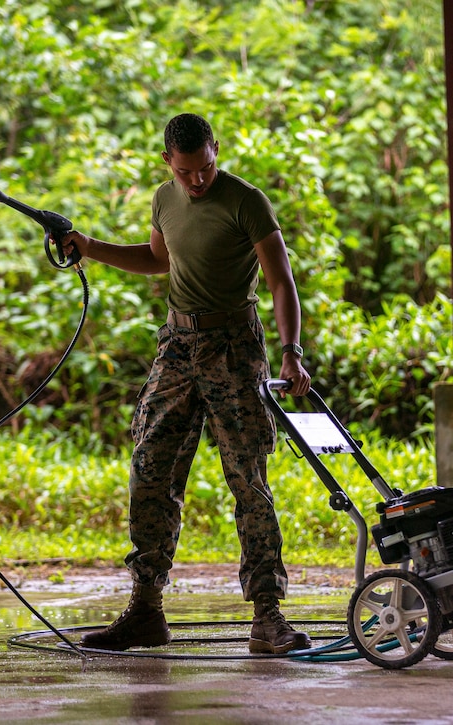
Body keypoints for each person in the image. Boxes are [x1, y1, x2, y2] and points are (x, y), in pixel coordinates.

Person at [61, 113, 312, 653]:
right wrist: (88, 245)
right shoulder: (163, 199)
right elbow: (157, 259)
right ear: (167, 162)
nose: (197, 181)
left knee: (248, 481)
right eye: (186, 172)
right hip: (176, 349)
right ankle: (145, 610)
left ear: (216, 151)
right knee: (150, 471)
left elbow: (280, 281)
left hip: (234, 350)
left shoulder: (247, 200)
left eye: (205, 168)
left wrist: (291, 353)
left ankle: (268, 618)